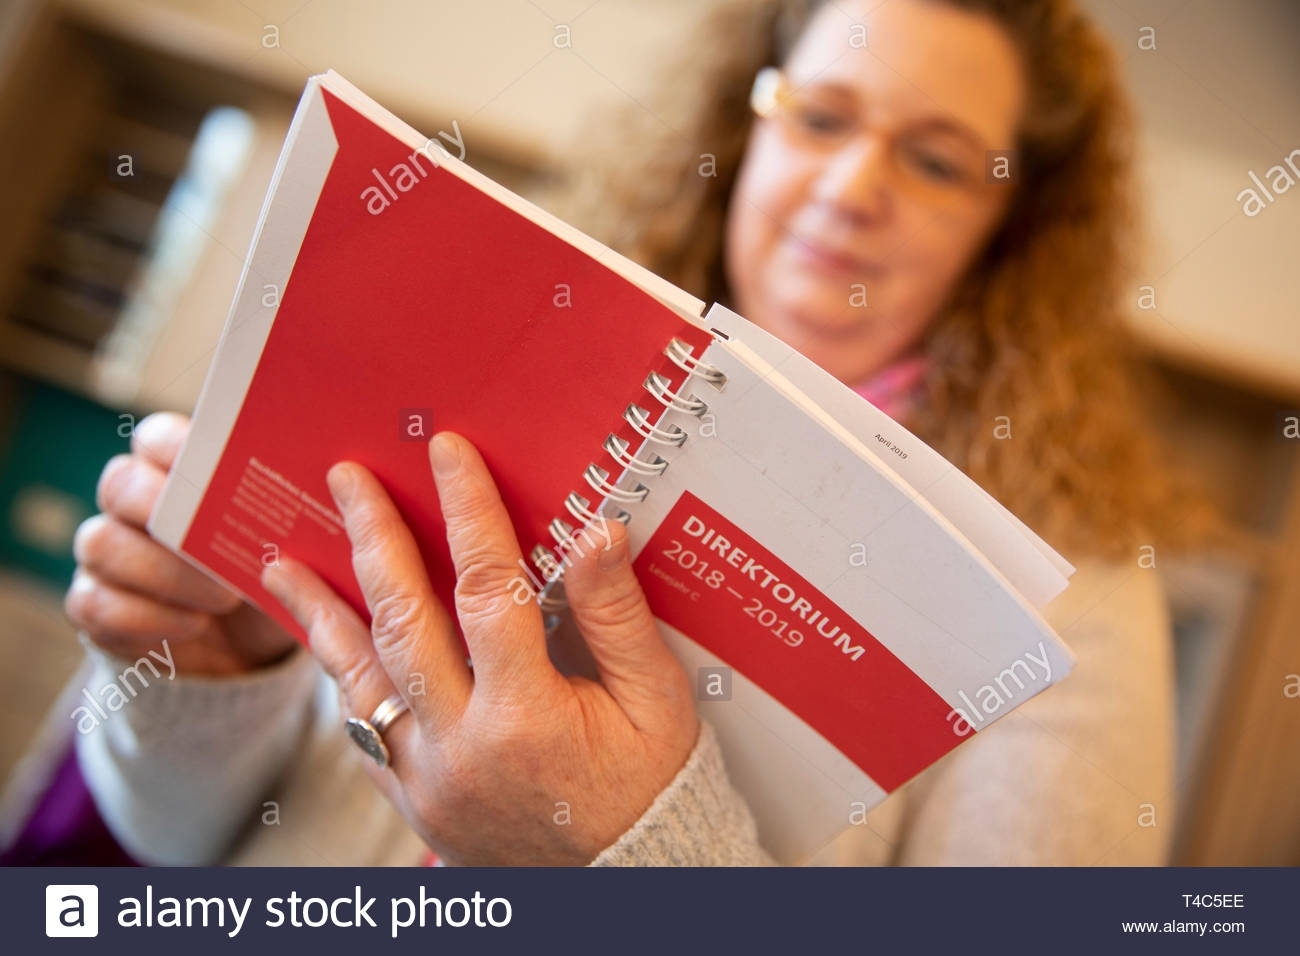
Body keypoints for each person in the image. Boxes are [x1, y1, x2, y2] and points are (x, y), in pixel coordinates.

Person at [24, 0, 1210, 866]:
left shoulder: (1080, 603)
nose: (852, 186)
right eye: (819, 114)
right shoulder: (495, 345)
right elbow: (174, 840)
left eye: (938, 158)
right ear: (745, 129)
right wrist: (206, 669)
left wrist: (621, 852)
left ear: (1013, 226)